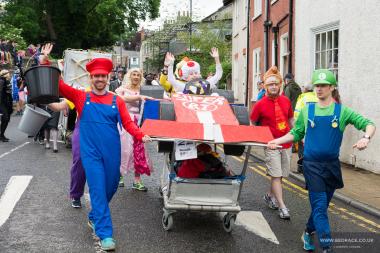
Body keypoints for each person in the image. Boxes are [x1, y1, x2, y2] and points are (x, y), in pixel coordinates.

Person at [268, 69, 376, 253]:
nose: (319, 89)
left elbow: (369, 124)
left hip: (332, 166)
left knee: (322, 206)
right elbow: (296, 133)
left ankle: (308, 232)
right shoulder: (307, 110)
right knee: (319, 205)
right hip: (312, 165)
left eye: (323, 85)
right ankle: (326, 246)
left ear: (332, 87)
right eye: (317, 85)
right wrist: (276, 141)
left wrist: (366, 137)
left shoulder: (342, 112)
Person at [53, 54, 150, 251]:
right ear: (91, 78)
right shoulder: (81, 97)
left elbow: (128, 123)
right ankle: (105, 234)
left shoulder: (117, 100)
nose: (99, 79)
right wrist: (46, 61)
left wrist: (140, 135)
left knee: (112, 185)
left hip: (112, 152)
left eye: (103, 76)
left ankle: (94, 216)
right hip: (91, 153)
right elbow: (60, 86)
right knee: (97, 188)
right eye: (96, 76)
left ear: (108, 78)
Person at [250, 66, 293, 219]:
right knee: (276, 175)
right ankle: (282, 206)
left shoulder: (286, 101)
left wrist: (297, 137)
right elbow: (253, 122)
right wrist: (260, 140)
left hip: (287, 143)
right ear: (265, 86)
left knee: (280, 176)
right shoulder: (260, 104)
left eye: (276, 84)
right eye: (270, 84)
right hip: (271, 145)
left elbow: (290, 120)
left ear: (280, 84)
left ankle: (269, 196)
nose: (273, 86)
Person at [115, 68, 153, 191]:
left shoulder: (144, 90)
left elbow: (158, 97)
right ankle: (119, 176)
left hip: (140, 122)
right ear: (129, 76)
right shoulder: (122, 89)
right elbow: (122, 99)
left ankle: (137, 180)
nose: (136, 77)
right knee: (124, 149)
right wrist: (139, 97)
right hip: (126, 121)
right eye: (134, 74)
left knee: (139, 150)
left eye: (138, 75)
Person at [293, 82, 318, 173]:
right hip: (315, 127)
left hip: (304, 126)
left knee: (301, 147)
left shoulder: (302, 98)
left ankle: (301, 168)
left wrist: (296, 127)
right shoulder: (317, 97)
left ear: (306, 89)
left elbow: (297, 113)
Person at [0, 69, 13, 142]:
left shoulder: (7, 81)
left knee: (6, 119)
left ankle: (2, 134)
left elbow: (9, 93)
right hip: (2, 103)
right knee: (5, 118)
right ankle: (1, 135)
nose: (9, 74)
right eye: (8, 73)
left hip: (7, 102)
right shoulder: (2, 81)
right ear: (5, 74)